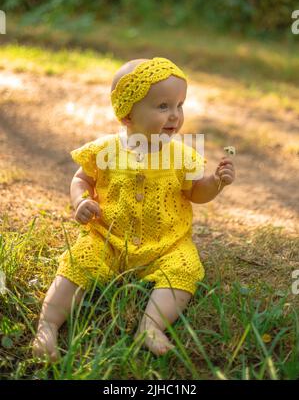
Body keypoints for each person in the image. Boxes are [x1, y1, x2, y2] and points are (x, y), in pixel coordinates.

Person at [32, 57, 235, 361]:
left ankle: (151, 326)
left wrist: (216, 183)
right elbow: (81, 178)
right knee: (78, 262)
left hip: (167, 243)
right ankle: (47, 325)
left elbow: (196, 192)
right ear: (127, 116)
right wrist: (81, 200)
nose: (175, 116)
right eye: (163, 106)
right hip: (108, 238)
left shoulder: (182, 155)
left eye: (179, 105)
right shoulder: (105, 150)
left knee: (184, 268)